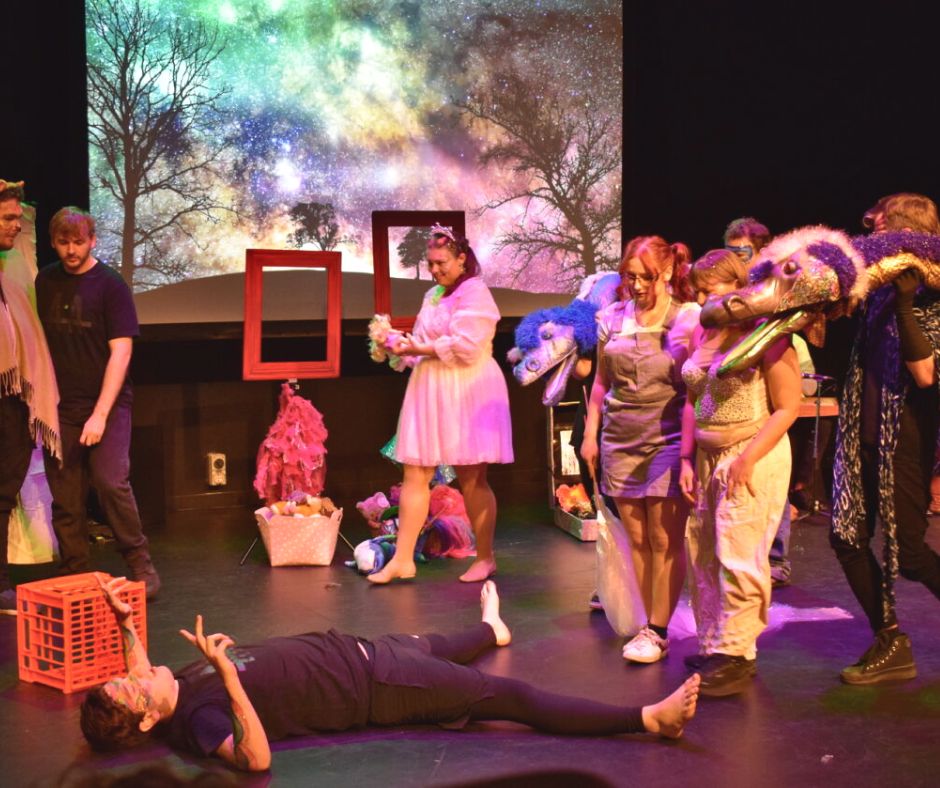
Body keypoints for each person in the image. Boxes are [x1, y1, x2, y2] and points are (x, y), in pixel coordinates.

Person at [80, 576, 701, 771]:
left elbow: (136, 672)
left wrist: (124, 624)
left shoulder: (163, 692)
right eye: (131, 686)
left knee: (440, 643)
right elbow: (257, 760)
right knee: (508, 696)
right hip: (379, 686)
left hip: (362, 650)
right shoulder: (196, 718)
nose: (136, 672)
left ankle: (492, 629)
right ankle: (649, 719)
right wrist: (229, 675)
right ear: (146, 717)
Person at [679, 249, 801, 696]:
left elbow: (788, 407)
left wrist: (747, 458)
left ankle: (737, 654)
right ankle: (716, 643)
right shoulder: (704, 332)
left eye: (710, 289)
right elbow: (693, 399)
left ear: (738, 288)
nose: (702, 299)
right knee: (705, 554)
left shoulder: (767, 335)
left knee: (740, 554)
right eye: (697, 290)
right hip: (708, 458)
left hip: (751, 454)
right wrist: (686, 458)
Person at [830, 192, 940, 684]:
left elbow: (924, 374)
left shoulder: (932, 298)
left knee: (911, 556)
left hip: (904, 444)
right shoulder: (874, 296)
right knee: (846, 537)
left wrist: (906, 302)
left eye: (881, 229)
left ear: (906, 233)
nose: (873, 237)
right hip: (862, 438)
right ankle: (890, 639)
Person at [368, 225, 513, 584]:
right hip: (431, 387)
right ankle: (403, 560)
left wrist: (417, 347)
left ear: (462, 259)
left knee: (472, 477)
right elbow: (422, 343)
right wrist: (397, 345)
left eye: (441, 263)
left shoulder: (475, 292)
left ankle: (485, 557)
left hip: (467, 388)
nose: (434, 270)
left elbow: (467, 347)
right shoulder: (432, 294)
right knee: (415, 472)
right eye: (430, 263)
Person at [581, 236, 699, 663]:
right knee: (637, 539)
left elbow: (696, 388)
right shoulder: (612, 317)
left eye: (644, 277)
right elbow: (601, 382)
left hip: (667, 438)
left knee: (665, 538)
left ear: (666, 272)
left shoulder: (687, 318)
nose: (635, 285)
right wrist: (590, 432)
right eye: (629, 276)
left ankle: (658, 630)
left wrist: (689, 453)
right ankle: (648, 620)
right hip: (620, 438)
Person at [35, 207, 160, 598]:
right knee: (66, 495)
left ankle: (140, 563)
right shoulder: (45, 281)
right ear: (53, 242)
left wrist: (100, 415)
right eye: (63, 242)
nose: (71, 251)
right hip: (60, 407)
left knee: (109, 483)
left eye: (78, 242)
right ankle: (74, 570)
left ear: (93, 241)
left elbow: (121, 353)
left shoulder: (110, 285)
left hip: (107, 404)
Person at [0, 180, 61, 614]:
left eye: (17, 218)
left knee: (5, 489)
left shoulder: (14, 266)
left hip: (10, 396)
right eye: (7, 218)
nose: (15, 225)